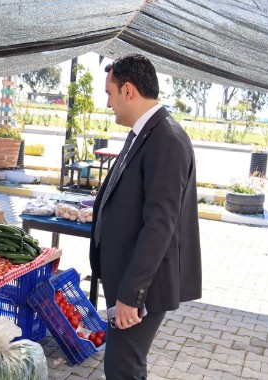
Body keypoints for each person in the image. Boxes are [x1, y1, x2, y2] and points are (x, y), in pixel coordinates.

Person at [89, 54, 202, 379]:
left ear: (128, 90)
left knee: (123, 367)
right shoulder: (146, 133)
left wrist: (131, 295)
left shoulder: (166, 139)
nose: (107, 102)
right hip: (130, 278)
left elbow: (159, 225)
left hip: (143, 287)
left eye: (109, 93)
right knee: (123, 364)